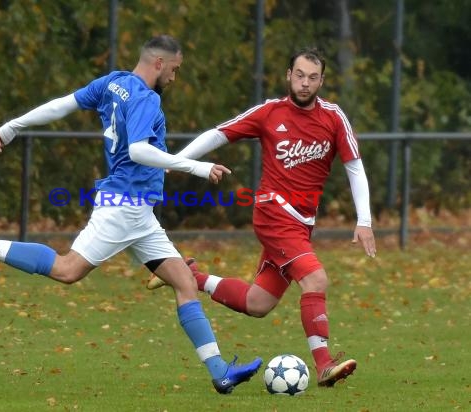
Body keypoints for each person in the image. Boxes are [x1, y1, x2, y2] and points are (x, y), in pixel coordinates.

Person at [0, 34, 262, 394]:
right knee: (67, 269)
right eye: (174, 69)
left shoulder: (113, 83)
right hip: (123, 206)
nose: (174, 77)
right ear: (159, 63)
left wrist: (14, 124)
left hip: (140, 214)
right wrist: (195, 167)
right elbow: (139, 151)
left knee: (185, 283)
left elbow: (63, 104)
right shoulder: (145, 98)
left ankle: (220, 372)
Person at [147, 46, 377, 387]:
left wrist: (365, 220)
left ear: (322, 81)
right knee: (315, 280)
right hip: (273, 214)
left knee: (258, 303)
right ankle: (324, 365)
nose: (304, 84)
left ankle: (188, 276)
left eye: (313, 78)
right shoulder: (270, 112)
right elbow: (219, 133)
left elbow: (354, 166)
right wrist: (176, 162)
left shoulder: (333, 117)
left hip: (301, 223)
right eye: (299, 75)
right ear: (288, 75)